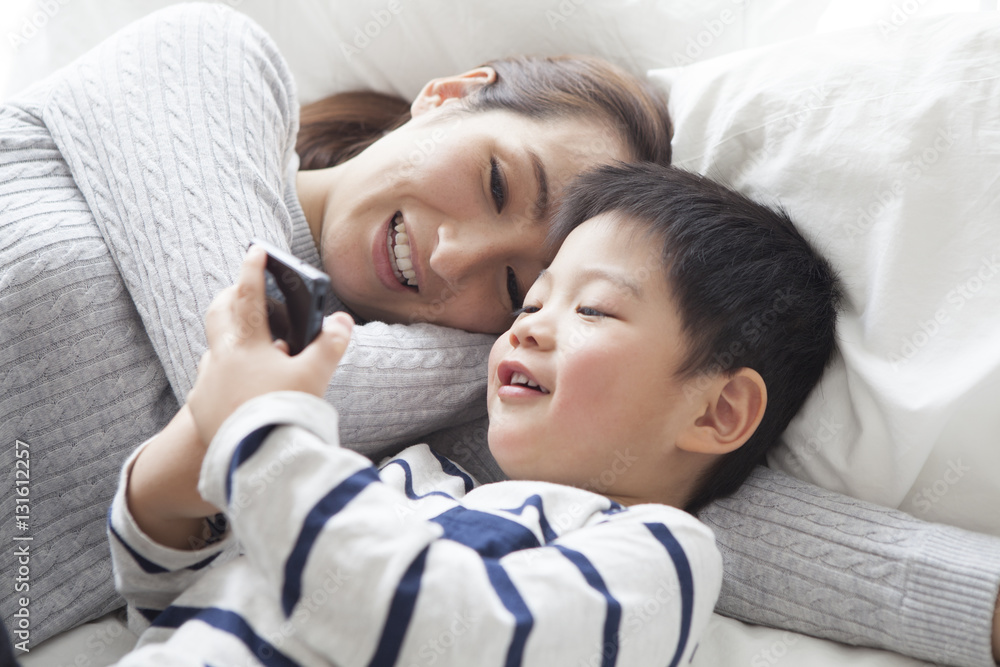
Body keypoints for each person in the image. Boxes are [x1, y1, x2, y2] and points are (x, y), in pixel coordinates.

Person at [0, 3, 673, 646]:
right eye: (496, 183)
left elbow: (676, 478)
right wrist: (523, 351)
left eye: (514, 286)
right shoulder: (209, 61)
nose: (452, 255)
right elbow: (256, 361)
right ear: (450, 95)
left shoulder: (425, 437)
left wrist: (609, 360)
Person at [106, 162, 842, 665]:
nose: (525, 327)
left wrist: (263, 430)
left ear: (718, 410)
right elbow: (175, 603)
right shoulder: (409, 478)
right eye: (530, 300)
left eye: (594, 308)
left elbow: (430, 631)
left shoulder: (659, 557)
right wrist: (200, 440)